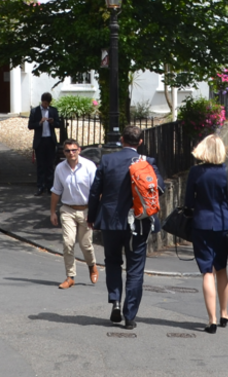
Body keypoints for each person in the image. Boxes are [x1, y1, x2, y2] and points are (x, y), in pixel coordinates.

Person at [87, 126, 160, 330]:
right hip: (138, 222)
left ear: (121, 140)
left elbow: (95, 192)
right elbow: (158, 189)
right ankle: (130, 315)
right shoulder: (148, 162)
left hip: (111, 221)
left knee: (112, 261)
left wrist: (92, 217)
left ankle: (115, 301)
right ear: (140, 142)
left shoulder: (108, 161)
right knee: (135, 268)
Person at [183, 135, 228, 333]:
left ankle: (212, 319)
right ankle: (224, 312)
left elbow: (188, 202)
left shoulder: (196, 172)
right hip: (224, 225)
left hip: (202, 225)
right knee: (222, 269)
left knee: (207, 271)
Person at [50, 138, 99, 288]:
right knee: (68, 242)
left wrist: (97, 212)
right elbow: (56, 191)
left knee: (86, 245)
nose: (71, 153)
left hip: (86, 210)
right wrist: (52, 212)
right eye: (67, 151)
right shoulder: (60, 168)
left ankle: (92, 265)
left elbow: (97, 191)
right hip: (68, 210)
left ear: (79, 150)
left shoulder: (89, 166)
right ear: (64, 152)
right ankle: (70, 276)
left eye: (74, 150)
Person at [28, 93, 63, 194]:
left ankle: (50, 186)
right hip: (40, 140)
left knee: (49, 165)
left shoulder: (53, 110)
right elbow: (30, 125)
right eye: (44, 103)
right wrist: (39, 123)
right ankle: (40, 186)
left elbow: (59, 124)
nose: (46, 105)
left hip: (50, 140)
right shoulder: (35, 111)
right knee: (40, 165)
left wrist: (52, 122)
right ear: (42, 101)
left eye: (47, 103)